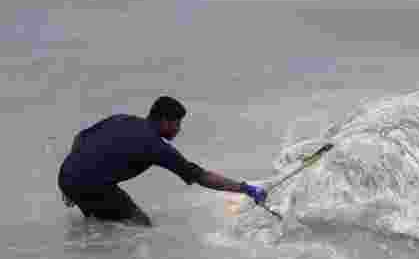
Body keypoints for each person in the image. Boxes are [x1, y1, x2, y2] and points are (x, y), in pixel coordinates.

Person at [58, 96, 269, 226]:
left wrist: (73, 176)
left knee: (101, 222)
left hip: (66, 177)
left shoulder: (121, 119)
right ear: (164, 121)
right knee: (139, 226)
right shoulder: (155, 146)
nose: (178, 129)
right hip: (93, 185)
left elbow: (81, 137)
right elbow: (200, 177)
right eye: (177, 123)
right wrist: (246, 189)